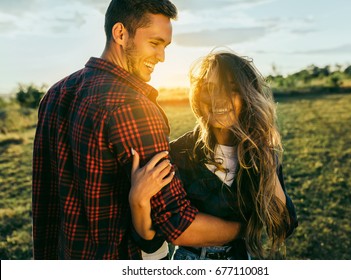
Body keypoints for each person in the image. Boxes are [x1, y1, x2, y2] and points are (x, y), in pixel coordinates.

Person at [32, 0, 241, 260]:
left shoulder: (56, 93)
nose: (162, 57)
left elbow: (45, 198)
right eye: (154, 43)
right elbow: (176, 223)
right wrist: (245, 229)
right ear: (120, 33)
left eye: (165, 46)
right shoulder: (132, 108)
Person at [129, 50, 298, 260]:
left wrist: (264, 157)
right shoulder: (179, 153)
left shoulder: (262, 152)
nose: (219, 100)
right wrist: (138, 201)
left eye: (232, 90)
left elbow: (284, 225)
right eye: (209, 89)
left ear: (247, 97)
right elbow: (158, 235)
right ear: (198, 96)